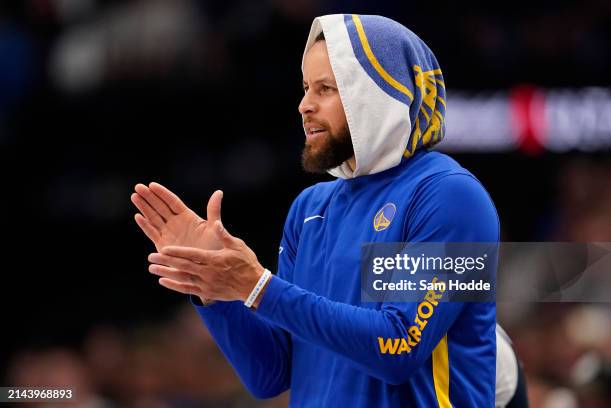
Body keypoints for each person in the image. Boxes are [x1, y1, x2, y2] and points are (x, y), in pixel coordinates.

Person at [132, 14, 525, 407]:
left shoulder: (449, 195)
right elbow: (273, 373)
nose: (304, 105)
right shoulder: (310, 209)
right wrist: (214, 288)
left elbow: (399, 346)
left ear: (380, 94)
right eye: (305, 88)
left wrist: (258, 288)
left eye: (326, 89)